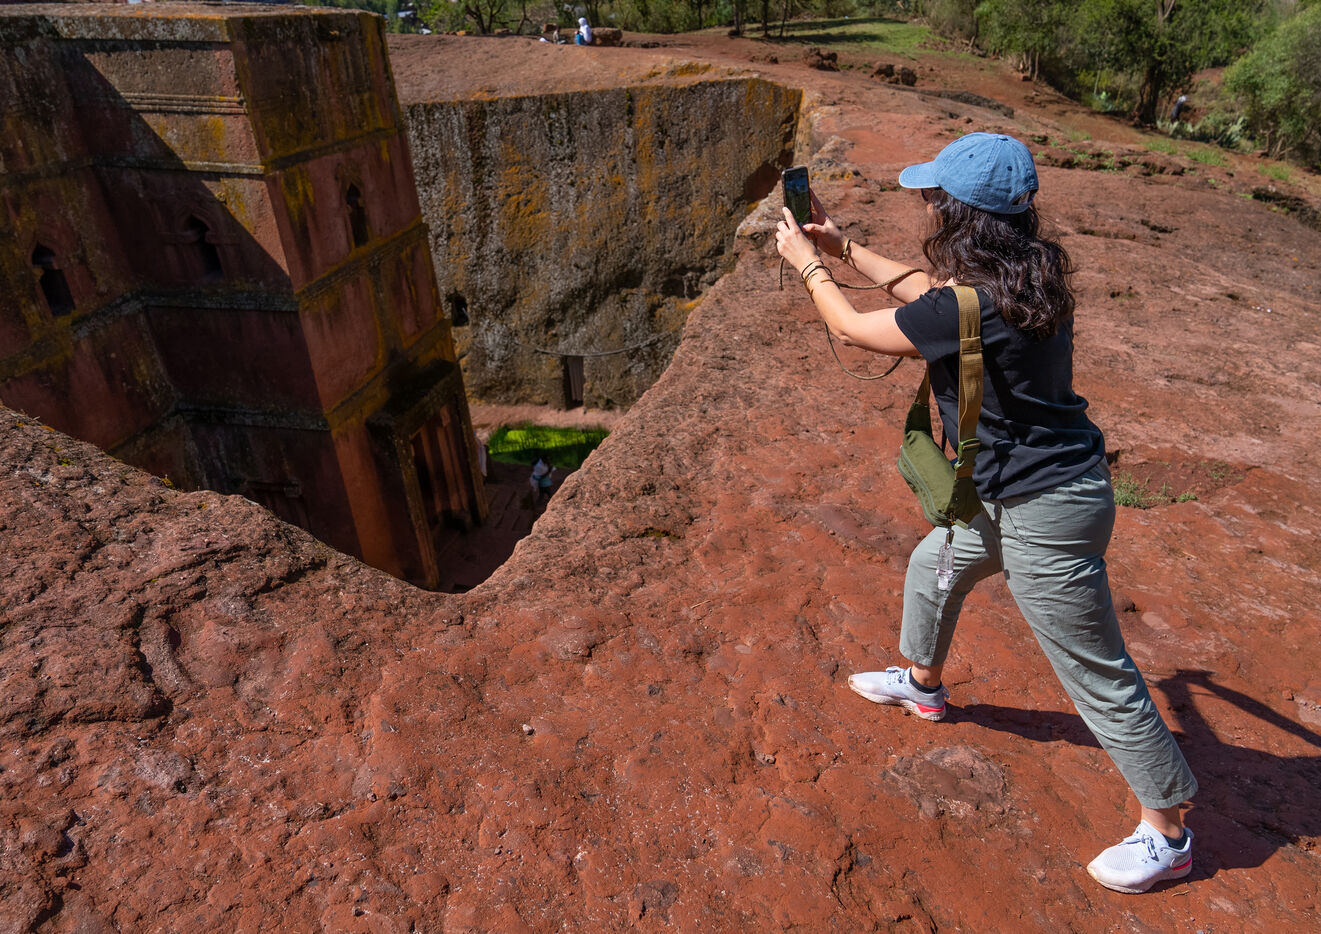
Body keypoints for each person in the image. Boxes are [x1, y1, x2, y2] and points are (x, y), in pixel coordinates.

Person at [773, 133, 1198, 895]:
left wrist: (807, 265)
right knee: (933, 566)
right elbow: (931, 297)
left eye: (931, 198)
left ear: (957, 213)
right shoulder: (1032, 273)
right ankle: (922, 682)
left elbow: (853, 330)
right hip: (1024, 490)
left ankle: (1168, 833)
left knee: (1095, 671)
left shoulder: (972, 300)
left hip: (1046, 510)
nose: (925, 207)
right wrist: (844, 247)